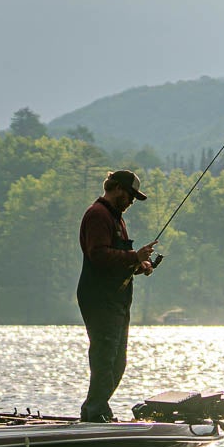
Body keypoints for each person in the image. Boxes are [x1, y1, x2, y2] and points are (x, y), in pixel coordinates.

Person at [76, 169, 156, 422]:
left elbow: (114, 257)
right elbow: (98, 255)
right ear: (118, 188)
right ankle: (95, 412)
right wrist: (134, 256)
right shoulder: (98, 215)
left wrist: (138, 265)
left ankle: (96, 408)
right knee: (104, 357)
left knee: (117, 361)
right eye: (131, 195)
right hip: (99, 298)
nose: (132, 201)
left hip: (116, 299)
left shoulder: (116, 218)